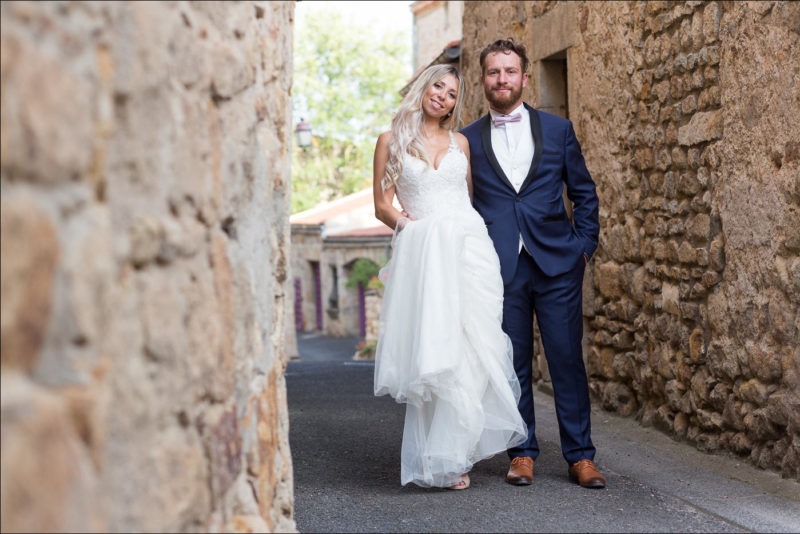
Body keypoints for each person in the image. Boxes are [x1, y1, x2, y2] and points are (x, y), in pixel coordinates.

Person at [372, 63, 527, 490]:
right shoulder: (391, 141)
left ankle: (457, 448)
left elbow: (471, 198)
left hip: (472, 252)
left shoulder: (461, 142)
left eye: (453, 93)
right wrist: (418, 233)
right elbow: (383, 206)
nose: (443, 96)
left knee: (476, 347)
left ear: (456, 103)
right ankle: (440, 458)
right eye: (438, 86)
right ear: (424, 88)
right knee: (438, 350)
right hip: (427, 255)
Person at [460, 39, 605, 489]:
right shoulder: (465, 140)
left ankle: (580, 456)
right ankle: (522, 451)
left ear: (524, 77)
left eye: (509, 71)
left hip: (559, 262)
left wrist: (584, 247)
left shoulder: (559, 130)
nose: (501, 79)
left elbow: (584, 192)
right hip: (500, 267)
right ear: (483, 80)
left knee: (566, 362)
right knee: (512, 364)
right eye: (493, 72)